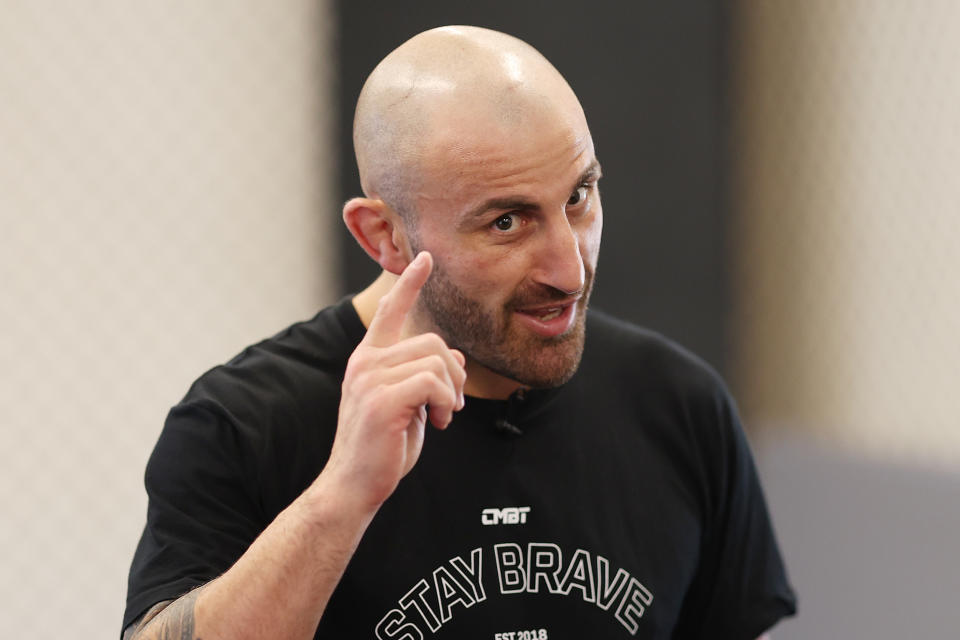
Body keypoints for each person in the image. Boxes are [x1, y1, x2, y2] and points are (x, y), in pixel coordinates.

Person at [122, 25, 796, 640]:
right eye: (507, 222)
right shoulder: (243, 423)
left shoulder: (679, 406)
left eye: (579, 196)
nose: (570, 268)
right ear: (383, 235)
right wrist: (340, 498)